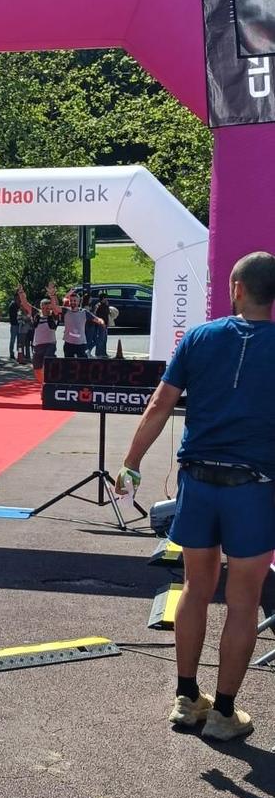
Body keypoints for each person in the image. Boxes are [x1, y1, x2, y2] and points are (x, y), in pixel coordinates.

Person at [116, 250, 275, 742]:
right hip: (254, 488)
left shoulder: (200, 337)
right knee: (244, 599)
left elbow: (160, 403)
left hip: (199, 484)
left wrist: (131, 463)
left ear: (236, 288)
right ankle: (225, 712)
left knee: (195, 587)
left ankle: (187, 699)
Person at [31, 297, 60, 384]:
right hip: (37, 345)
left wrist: (52, 295)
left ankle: (51, 381)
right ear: (41, 307)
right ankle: (43, 384)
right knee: (37, 369)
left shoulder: (53, 316)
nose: (45, 310)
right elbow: (26, 304)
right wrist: (21, 293)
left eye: (47, 308)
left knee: (48, 363)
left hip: (50, 344)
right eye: (43, 308)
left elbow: (56, 307)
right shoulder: (37, 317)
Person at [61, 292, 90, 358]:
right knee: (68, 363)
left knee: (83, 363)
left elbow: (94, 318)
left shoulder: (83, 311)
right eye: (71, 301)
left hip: (81, 343)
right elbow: (63, 300)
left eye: (75, 301)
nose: (72, 302)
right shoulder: (66, 310)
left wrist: (100, 321)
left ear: (79, 302)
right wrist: (68, 293)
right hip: (69, 343)